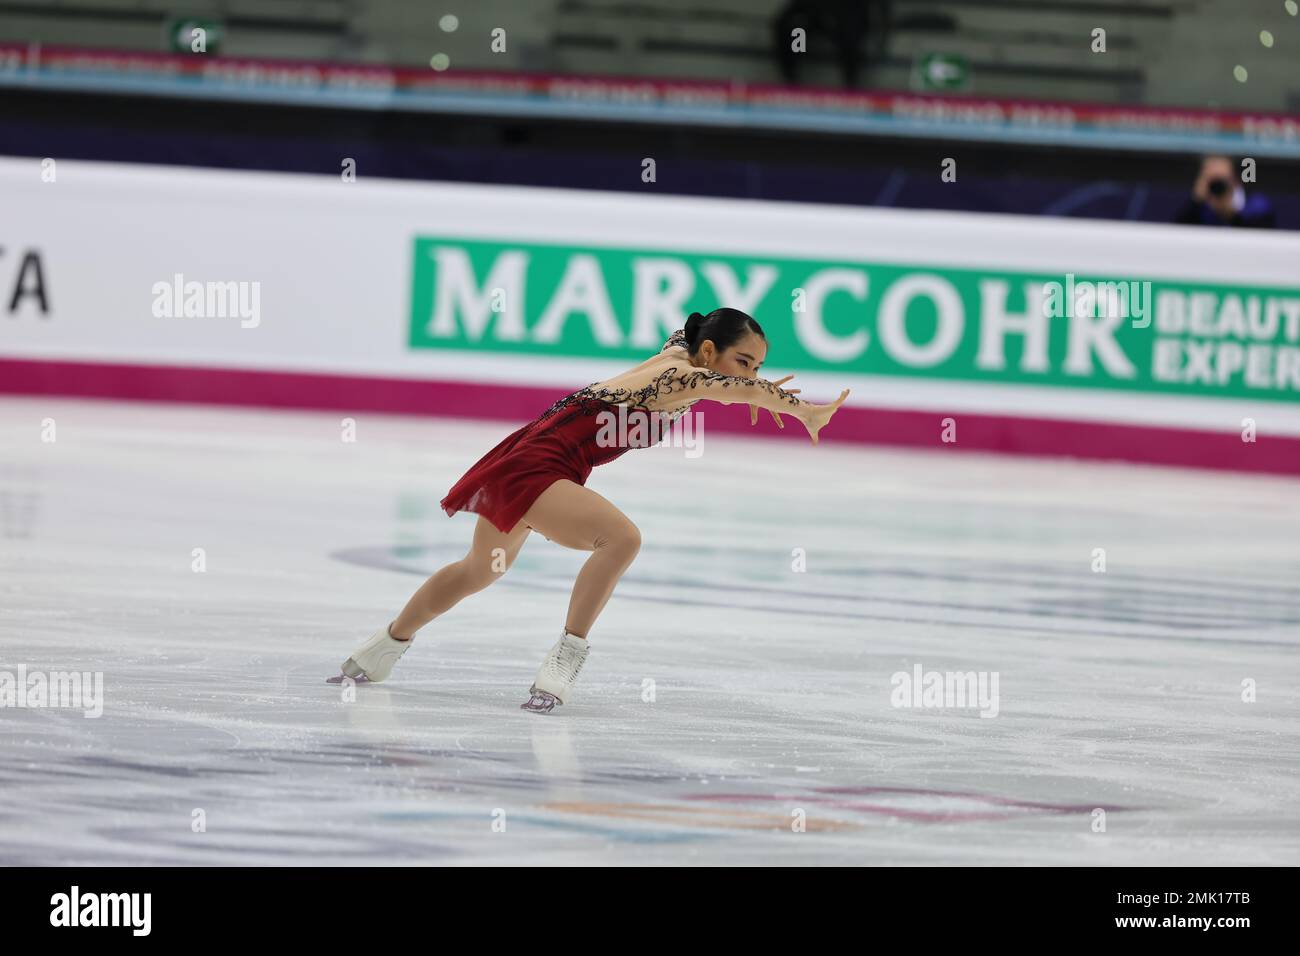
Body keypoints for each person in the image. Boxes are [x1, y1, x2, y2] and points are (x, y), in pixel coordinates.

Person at [327, 308, 851, 713]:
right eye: (744, 361)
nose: (753, 374)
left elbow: (720, 375)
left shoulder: (685, 354)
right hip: (539, 462)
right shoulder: (680, 374)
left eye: (759, 366)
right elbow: (724, 389)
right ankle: (564, 660)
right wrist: (803, 408)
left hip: (538, 454)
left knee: (480, 569)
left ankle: (377, 652)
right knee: (621, 539)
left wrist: (750, 384)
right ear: (709, 351)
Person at [1175, 154, 1276, 228]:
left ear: (1235, 179)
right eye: (1212, 179)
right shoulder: (1198, 206)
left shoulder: (1256, 204)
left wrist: (1231, 214)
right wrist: (1195, 202)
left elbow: (1261, 238)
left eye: (1221, 180)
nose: (1217, 186)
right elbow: (1178, 236)